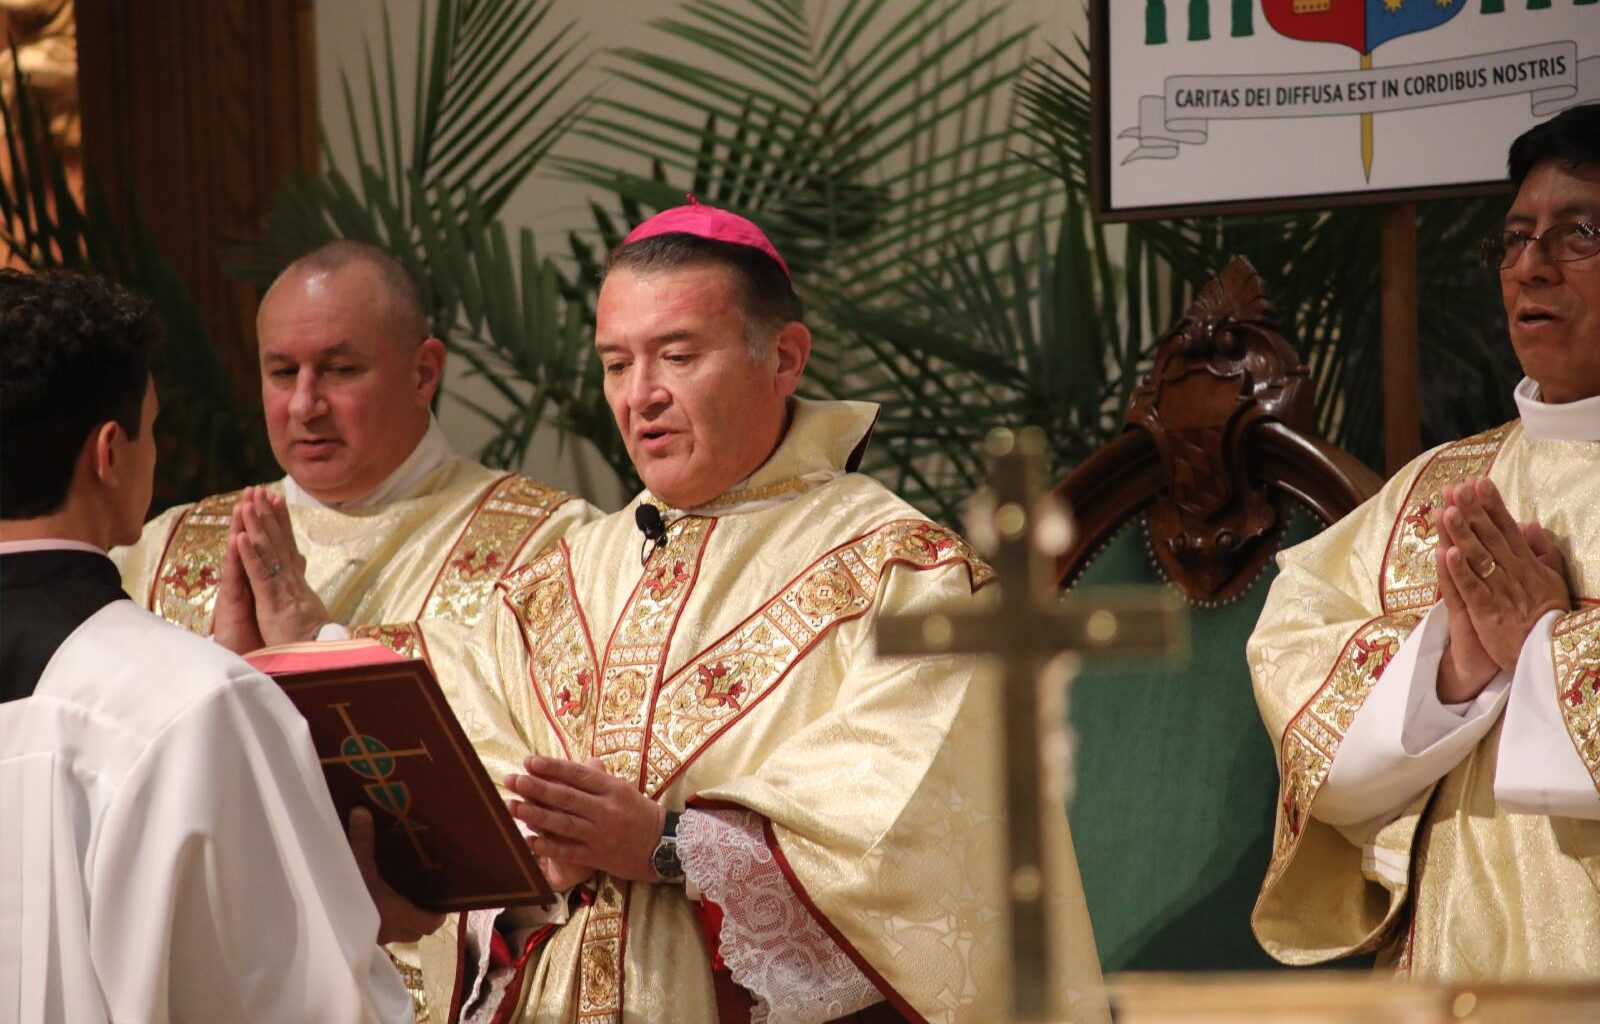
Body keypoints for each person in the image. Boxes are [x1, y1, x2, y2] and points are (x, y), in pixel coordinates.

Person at [406, 203, 1108, 1022]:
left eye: (678, 356)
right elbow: (465, 806)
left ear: (784, 359)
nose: (641, 396)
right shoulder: (549, 586)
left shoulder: (907, 575)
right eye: (615, 364)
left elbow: (915, 852)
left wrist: (665, 846)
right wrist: (528, 862)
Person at [0, 268, 433, 1022]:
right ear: (110, 453)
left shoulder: (193, 694)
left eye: (338, 369)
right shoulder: (193, 702)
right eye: (153, 428)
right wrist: (347, 908)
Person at [1249, 102, 1600, 979]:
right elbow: (1295, 671)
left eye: (1578, 235)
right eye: (1514, 240)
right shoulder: (1434, 491)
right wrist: (1450, 670)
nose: (1531, 267)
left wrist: (1547, 653)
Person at [113, 240, 597, 656]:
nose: (304, 405)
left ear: (423, 373)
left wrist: (318, 640)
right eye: (283, 373)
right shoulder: (161, 553)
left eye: (340, 370)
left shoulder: (549, 545)